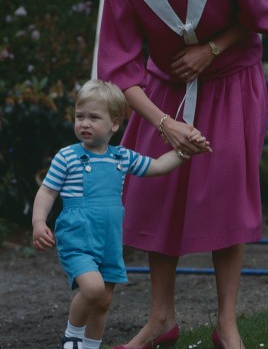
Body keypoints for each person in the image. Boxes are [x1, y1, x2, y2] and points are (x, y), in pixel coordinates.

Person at [97, 0, 268, 348]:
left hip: (233, 83)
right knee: (156, 191)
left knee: (226, 195)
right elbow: (119, 70)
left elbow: (263, 16)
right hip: (165, 90)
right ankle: (161, 319)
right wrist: (165, 123)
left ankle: (227, 325)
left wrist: (212, 48)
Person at [32, 79, 210, 349]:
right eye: (80, 116)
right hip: (78, 237)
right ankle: (71, 336)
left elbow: (159, 166)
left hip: (110, 240)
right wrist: (38, 222)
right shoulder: (66, 157)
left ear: (115, 123)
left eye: (94, 117)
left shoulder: (121, 157)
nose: (85, 123)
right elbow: (46, 192)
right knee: (92, 288)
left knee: (103, 301)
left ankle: (90, 346)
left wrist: (185, 150)